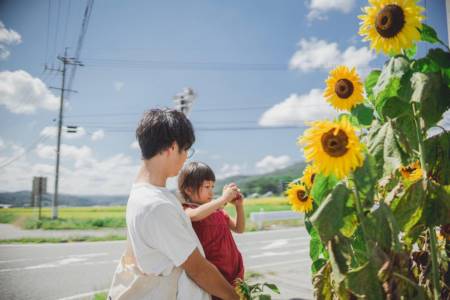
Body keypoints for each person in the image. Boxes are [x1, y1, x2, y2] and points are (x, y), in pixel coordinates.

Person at [111, 108, 239, 300]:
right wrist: (235, 298)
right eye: (186, 149)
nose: (187, 156)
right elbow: (198, 270)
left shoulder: (144, 192)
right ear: (172, 148)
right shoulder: (156, 205)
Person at [178, 161, 245, 297]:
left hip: (234, 270)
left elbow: (239, 228)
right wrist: (223, 199)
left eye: (212, 186)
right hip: (214, 276)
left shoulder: (218, 211)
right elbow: (196, 216)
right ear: (189, 190)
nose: (211, 191)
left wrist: (239, 206)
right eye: (206, 186)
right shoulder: (187, 209)